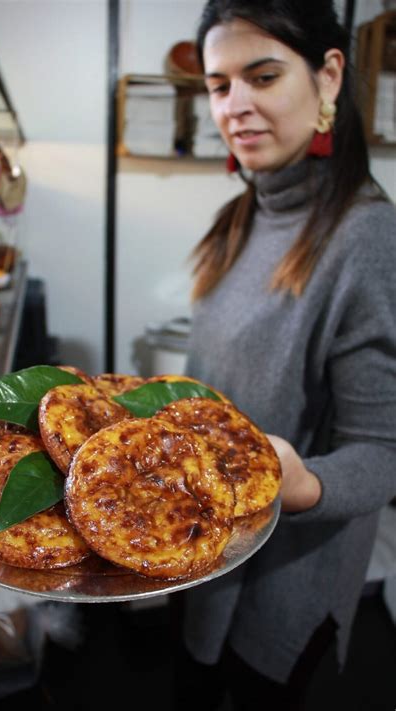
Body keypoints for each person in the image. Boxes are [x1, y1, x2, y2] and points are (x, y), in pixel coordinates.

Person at [174, 1, 396, 708]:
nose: (234, 105)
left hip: (283, 580)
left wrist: (296, 483)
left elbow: (383, 452)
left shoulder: (366, 239)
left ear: (329, 78)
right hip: (202, 545)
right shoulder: (239, 216)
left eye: (262, 76)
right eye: (218, 84)